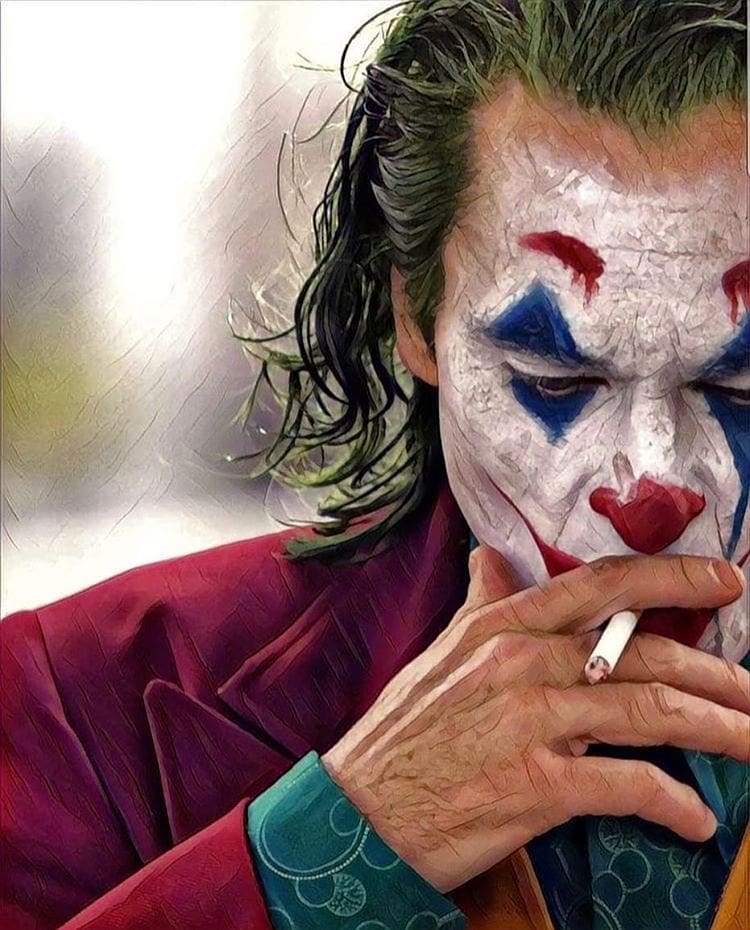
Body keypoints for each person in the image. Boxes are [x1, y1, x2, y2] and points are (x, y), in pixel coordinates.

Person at [2, 1, 748, 929]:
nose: (651, 489)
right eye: (556, 378)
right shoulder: (75, 702)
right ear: (416, 319)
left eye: (740, 386)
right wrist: (338, 844)